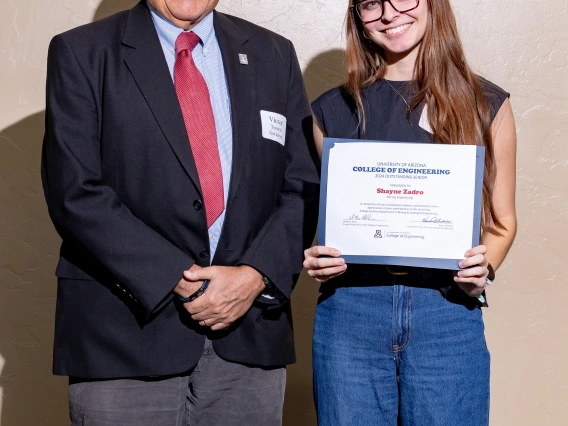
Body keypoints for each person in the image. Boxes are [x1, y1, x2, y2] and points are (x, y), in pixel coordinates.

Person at [41, 0, 319, 424]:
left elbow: (302, 184)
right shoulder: (82, 52)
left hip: (248, 332)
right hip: (124, 338)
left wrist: (254, 275)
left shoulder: (272, 53)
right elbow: (74, 192)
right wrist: (178, 277)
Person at [303, 0, 517, 425]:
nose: (389, 14)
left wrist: (484, 264)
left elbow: (502, 222)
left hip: (447, 310)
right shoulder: (330, 111)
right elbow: (328, 220)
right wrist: (316, 255)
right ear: (358, 20)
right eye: (371, 4)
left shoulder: (486, 103)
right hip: (350, 313)